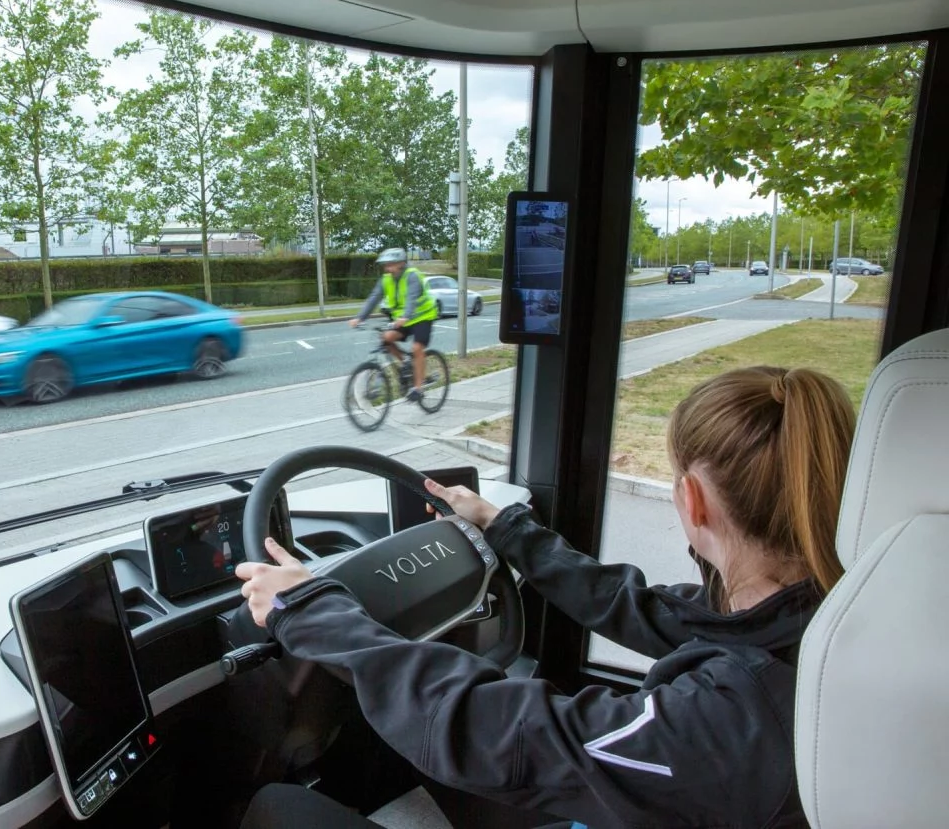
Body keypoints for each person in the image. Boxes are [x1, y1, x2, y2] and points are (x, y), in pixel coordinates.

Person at [234, 366, 856, 829]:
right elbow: (637, 606)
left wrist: (315, 611)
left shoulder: (734, 713)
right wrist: (505, 529)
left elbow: (489, 729)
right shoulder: (806, 613)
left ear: (690, 499)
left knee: (278, 810)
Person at [349, 248, 439, 402]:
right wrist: (359, 318)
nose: (387, 268)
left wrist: (405, 316)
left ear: (402, 264)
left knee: (417, 348)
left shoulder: (412, 276)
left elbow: (411, 298)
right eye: (386, 265)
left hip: (423, 316)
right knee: (386, 338)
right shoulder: (386, 280)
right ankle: (405, 364)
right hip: (403, 319)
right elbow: (373, 298)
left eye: (391, 264)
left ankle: (418, 389)